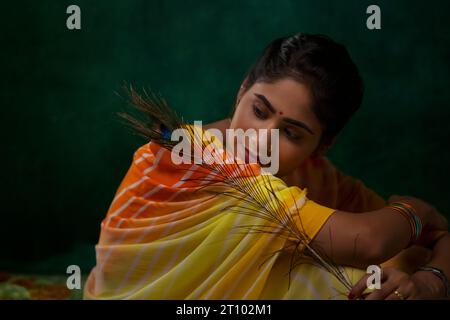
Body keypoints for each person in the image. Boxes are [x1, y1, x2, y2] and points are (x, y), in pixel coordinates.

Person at [84, 33, 449, 300]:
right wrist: (419, 211)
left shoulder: (314, 175)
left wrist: (431, 280)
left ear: (322, 146)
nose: (261, 140)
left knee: (401, 271)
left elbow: (436, 241)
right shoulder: (194, 159)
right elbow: (371, 241)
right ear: (242, 90)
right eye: (259, 111)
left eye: (291, 133)